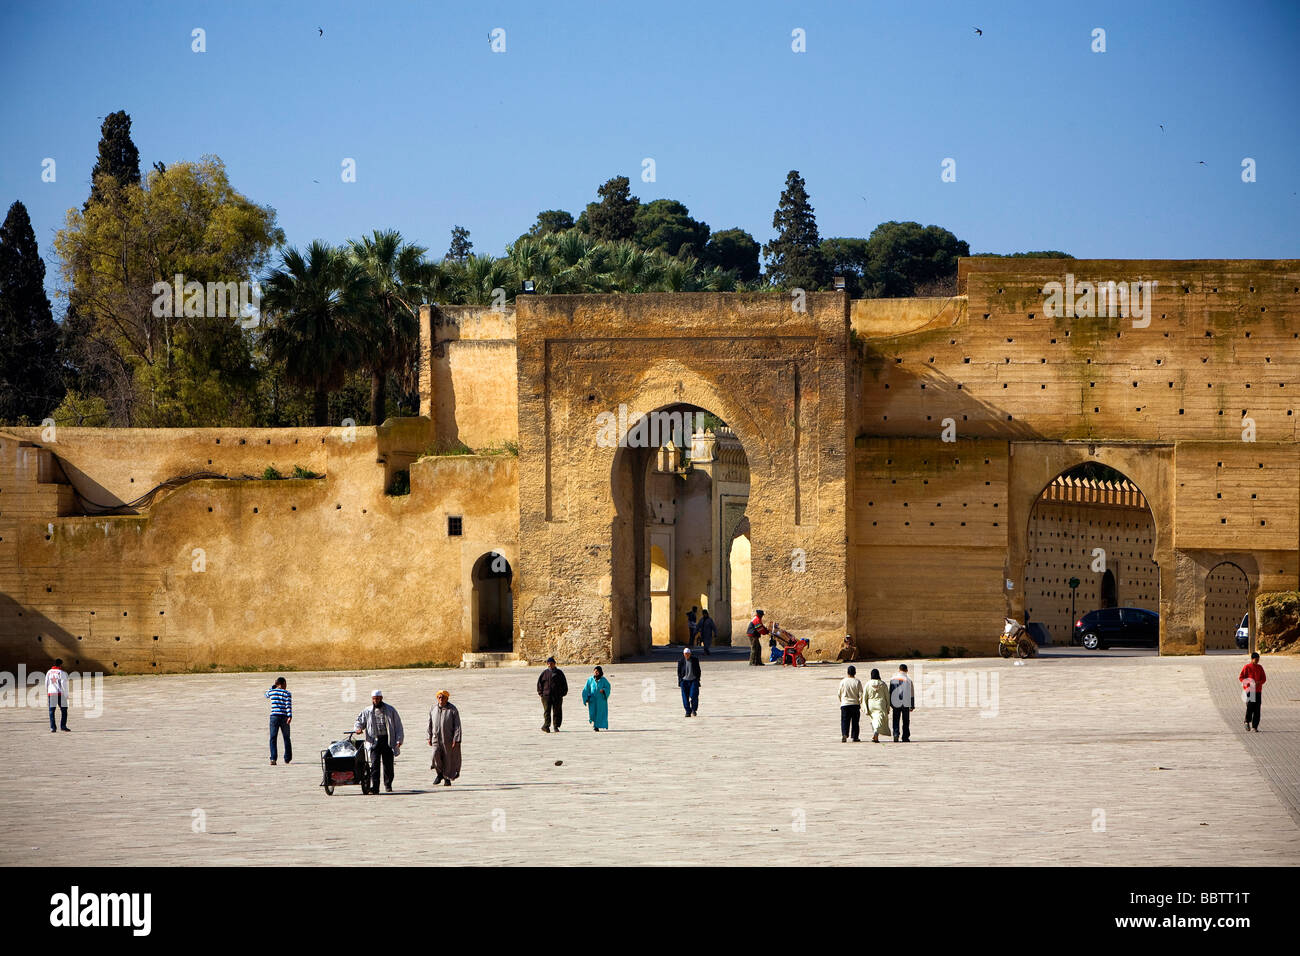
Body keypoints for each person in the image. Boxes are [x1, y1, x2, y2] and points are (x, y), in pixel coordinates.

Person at [352, 690, 404, 794]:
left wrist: (399, 740)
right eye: (374, 699)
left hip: (387, 740)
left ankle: (388, 785)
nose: (376, 700)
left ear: (381, 698)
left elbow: (398, 726)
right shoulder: (367, 711)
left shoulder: (390, 710)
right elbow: (359, 722)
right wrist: (358, 729)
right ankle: (375, 787)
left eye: (377, 698)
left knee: (388, 764)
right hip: (373, 741)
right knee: (374, 764)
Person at [428, 690, 461, 785]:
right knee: (435, 755)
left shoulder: (452, 709)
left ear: (447, 698)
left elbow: (457, 725)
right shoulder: (433, 708)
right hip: (435, 738)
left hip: (448, 738)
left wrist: (456, 739)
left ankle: (447, 778)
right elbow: (429, 723)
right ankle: (439, 773)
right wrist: (428, 736)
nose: (441, 699)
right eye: (439, 697)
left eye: (443, 697)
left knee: (448, 758)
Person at [265, 676, 292, 765]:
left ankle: (273, 758)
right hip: (284, 716)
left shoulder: (272, 692)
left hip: (274, 717)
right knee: (286, 738)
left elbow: (266, 694)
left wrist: (273, 686)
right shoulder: (287, 693)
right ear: (283, 683)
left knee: (273, 738)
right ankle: (287, 758)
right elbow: (288, 706)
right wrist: (289, 716)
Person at [537, 656, 568, 733]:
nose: (550, 665)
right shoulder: (544, 673)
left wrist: (563, 693)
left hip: (557, 696)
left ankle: (556, 726)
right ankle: (546, 726)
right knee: (547, 711)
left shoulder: (559, 673)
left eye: (551, 663)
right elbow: (540, 683)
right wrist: (541, 693)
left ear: (554, 664)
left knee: (557, 711)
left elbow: (564, 683)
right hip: (546, 696)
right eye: (548, 663)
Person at [1240, 652, 1267, 732]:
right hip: (1250, 690)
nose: (1257, 661)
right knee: (1250, 707)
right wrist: (1248, 682)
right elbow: (1241, 677)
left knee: (1257, 709)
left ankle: (1255, 726)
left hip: (1258, 690)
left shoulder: (1260, 667)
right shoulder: (1247, 667)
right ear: (1252, 659)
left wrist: (1259, 682)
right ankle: (1247, 721)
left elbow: (1264, 678)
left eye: (1258, 659)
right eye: (1256, 659)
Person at [837, 665, 864, 742]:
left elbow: (839, 693)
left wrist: (842, 701)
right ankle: (855, 737)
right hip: (855, 704)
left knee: (845, 720)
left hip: (845, 704)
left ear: (847, 672)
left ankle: (844, 734)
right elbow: (861, 694)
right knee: (855, 721)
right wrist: (860, 702)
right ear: (855, 673)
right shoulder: (857, 682)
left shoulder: (843, 681)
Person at [889, 664, 915, 742]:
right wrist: (912, 705)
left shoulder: (892, 679)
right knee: (906, 720)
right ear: (906, 670)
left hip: (895, 701)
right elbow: (912, 693)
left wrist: (890, 703)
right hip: (906, 702)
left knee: (896, 719)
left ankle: (896, 734)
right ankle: (905, 736)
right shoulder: (908, 680)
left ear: (899, 670)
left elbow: (890, 691)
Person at [864, 668, 891, 743]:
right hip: (880, 704)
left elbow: (864, 697)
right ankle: (876, 733)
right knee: (879, 720)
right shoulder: (882, 684)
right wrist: (888, 707)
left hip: (871, 704)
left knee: (873, 720)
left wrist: (865, 708)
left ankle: (875, 735)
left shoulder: (868, 684)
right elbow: (887, 696)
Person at [582, 666, 611, 731]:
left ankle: (596, 726)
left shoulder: (603, 680)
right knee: (593, 713)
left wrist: (603, 690)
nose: (596, 672)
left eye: (597, 671)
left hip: (601, 700)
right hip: (592, 700)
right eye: (595, 671)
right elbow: (586, 689)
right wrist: (586, 697)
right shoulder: (590, 680)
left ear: (600, 672)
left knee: (600, 713)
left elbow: (608, 688)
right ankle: (595, 724)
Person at [45, 659, 70, 733]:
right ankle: (63, 726)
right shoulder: (61, 672)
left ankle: (53, 728)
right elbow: (63, 684)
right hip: (60, 694)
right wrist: (66, 694)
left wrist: (48, 691)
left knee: (51, 711)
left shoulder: (49, 672)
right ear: (61, 664)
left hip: (51, 693)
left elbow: (46, 683)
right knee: (64, 710)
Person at [677, 647, 702, 717]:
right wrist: (680, 681)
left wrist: (698, 679)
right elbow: (679, 672)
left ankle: (694, 709)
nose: (687, 655)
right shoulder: (681, 661)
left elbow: (698, 670)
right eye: (685, 654)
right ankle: (688, 711)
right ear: (683, 654)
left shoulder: (695, 660)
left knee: (694, 695)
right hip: (684, 681)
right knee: (685, 697)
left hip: (693, 680)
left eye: (688, 654)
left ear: (690, 654)